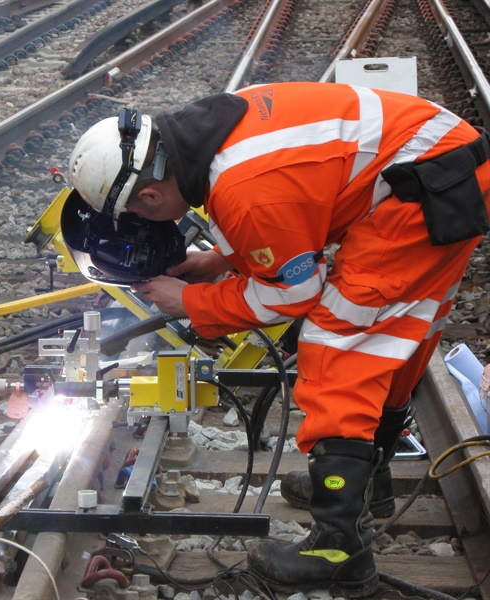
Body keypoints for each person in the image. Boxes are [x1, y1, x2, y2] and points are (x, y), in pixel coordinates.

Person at [65, 82, 490, 596]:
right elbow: (293, 209)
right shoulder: (205, 136)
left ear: (150, 196)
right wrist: (220, 260)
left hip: (423, 187)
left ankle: (336, 548)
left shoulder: (245, 187)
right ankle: (361, 484)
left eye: (141, 214)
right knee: (395, 332)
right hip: (438, 163)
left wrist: (193, 303)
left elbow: (293, 293)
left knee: (342, 341)